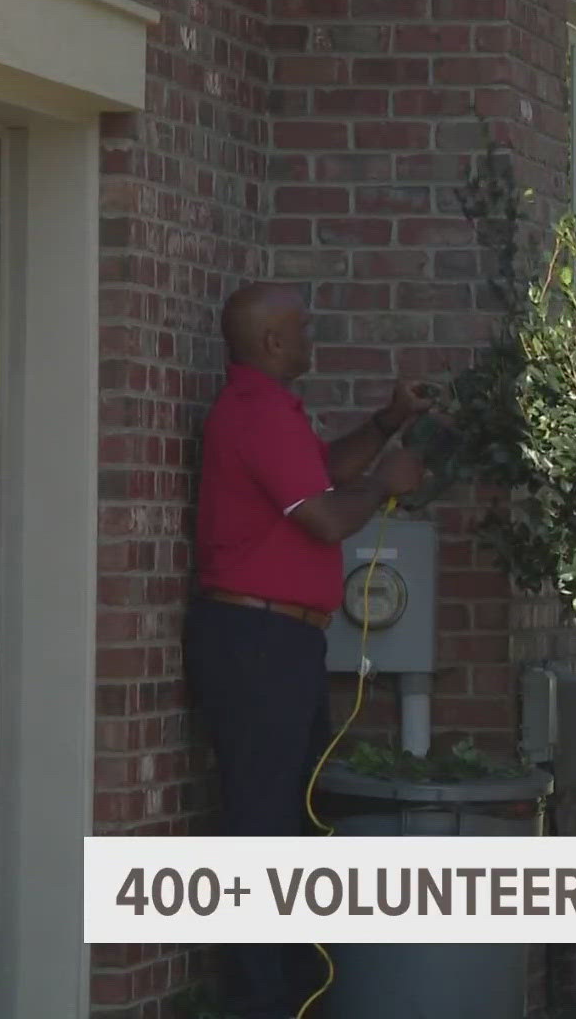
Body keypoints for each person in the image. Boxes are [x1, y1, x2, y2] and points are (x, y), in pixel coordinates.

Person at [186, 281, 431, 1018]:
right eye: (301, 328)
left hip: (281, 640)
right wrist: (388, 485)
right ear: (269, 343)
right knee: (263, 820)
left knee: (293, 814)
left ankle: (291, 992)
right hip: (254, 639)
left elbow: (321, 472)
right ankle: (259, 1001)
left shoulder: (274, 413)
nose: (312, 336)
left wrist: (388, 423)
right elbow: (325, 517)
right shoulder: (255, 412)